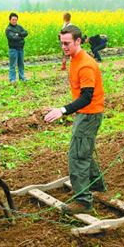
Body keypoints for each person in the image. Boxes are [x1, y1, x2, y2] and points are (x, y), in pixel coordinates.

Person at [44, 25, 105, 213]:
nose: (64, 47)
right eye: (62, 43)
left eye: (67, 43)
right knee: (83, 149)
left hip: (90, 114)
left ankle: (83, 202)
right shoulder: (74, 58)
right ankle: (96, 186)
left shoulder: (85, 64)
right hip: (85, 113)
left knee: (77, 155)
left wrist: (63, 110)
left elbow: (87, 96)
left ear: (78, 41)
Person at [5, 12, 28, 83]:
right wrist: (20, 36)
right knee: (13, 65)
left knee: (21, 64)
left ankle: (22, 78)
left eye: (16, 20)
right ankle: (12, 79)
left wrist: (18, 34)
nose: (14, 21)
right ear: (9, 20)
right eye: (13, 19)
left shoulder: (19, 27)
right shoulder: (8, 29)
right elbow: (13, 37)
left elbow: (26, 33)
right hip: (13, 49)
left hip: (21, 49)